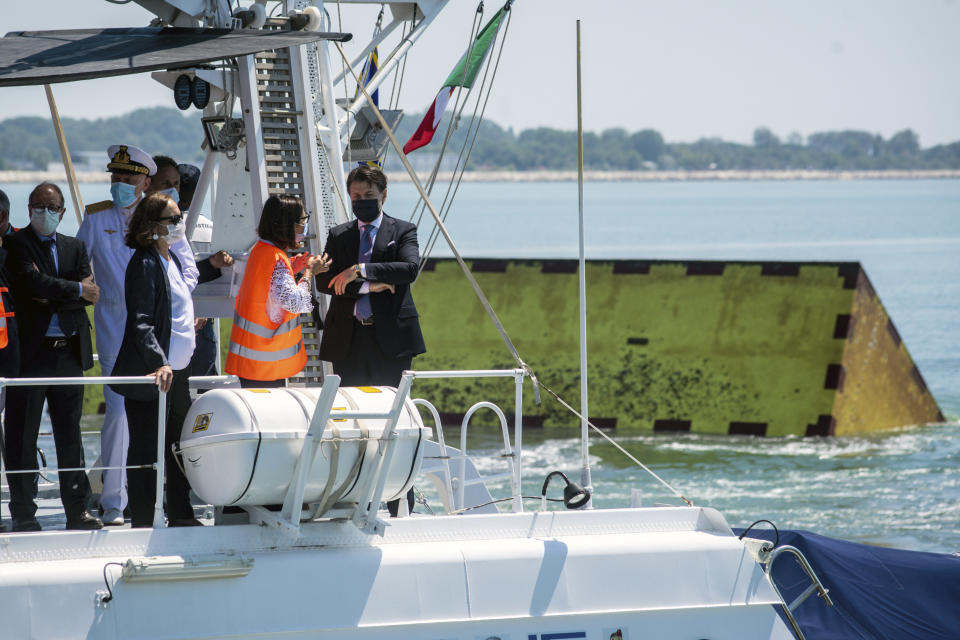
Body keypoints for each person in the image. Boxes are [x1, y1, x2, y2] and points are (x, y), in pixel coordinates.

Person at [77, 144, 198, 526]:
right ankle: (115, 502)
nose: (119, 185)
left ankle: (171, 504)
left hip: (163, 340)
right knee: (117, 416)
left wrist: (176, 303)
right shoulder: (98, 219)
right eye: (115, 178)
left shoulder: (166, 219)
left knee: (167, 431)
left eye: (127, 179)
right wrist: (84, 284)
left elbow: (189, 272)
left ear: (144, 183)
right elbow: (79, 261)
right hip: (116, 332)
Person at [2, 182, 103, 531]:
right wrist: (74, 290)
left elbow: (91, 295)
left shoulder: (75, 247)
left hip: (69, 355)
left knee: (70, 436)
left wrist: (57, 293)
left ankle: (78, 510)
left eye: (50, 207)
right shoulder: (16, 244)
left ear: (62, 212)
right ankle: (24, 514)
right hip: (31, 355)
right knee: (22, 436)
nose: (43, 212)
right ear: (29, 210)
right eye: (37, 206)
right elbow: (32, 284)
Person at [109, 193, 199, 528]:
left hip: (178, 372)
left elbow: (172, 308)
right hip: (155, 375)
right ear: (152, 227)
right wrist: (159, 362)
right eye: (172, 220)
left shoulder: (170, 259)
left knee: (177, 446)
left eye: (179, 218)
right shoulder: (144, 263)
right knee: (146, 451)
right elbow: (141, 320)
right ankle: (144, 520)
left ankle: (180, 512)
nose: (179, 225)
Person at [316, 165, 426, 387]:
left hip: (392, 338)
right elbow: (325, 282)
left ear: (383, 195)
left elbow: (409, 269)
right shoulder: (338, 235)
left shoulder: (403, 231)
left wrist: (359, 269)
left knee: (391, 405)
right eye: (356, 196)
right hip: (347, 338)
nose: (362, 200)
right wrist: (369, 287)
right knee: (350, 407)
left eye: (369, 195)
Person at [225, 195, 328, 387]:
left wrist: (292, 266)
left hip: (251, 361)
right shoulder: (277, 259)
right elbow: (295, 302)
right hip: (266, 365)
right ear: (287, 225)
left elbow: (268, 284)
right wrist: (309, 272)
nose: (304, 228)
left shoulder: (261, 250)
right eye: (302, 222)